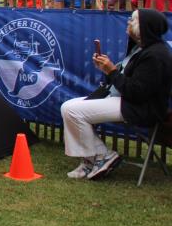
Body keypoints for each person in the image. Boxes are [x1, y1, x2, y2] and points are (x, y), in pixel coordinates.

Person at [60, 9, 172, 180]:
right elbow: (124, 81)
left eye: (133, 20)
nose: (128, 22)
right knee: (68, 107)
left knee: (72, 111)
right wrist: (107, 69)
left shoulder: (156, 55)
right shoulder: (140, 49)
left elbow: (136, 92)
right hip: (123, 99)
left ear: (144, 27)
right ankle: (92, 159)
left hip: (139, 108)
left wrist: (112, 71)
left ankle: (102, 156)